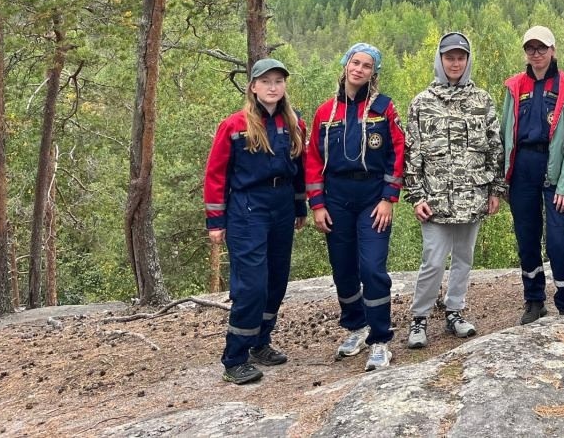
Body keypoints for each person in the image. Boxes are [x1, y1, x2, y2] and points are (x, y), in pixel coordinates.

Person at [203, 58, 307, 385]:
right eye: (266, 81)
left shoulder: (294, 123)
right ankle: (235, 358)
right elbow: (216, 174)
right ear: (253, 87)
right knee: (251, 285)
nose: (273, 87)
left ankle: (260, 343)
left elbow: (300, 169)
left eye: (278, 81)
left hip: (282, 206)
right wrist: (215, 220)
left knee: (276, 280)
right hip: (248, 208)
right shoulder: (234, 125)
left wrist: (300, 206)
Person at [304, 42, 406, 370]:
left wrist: (389, 199)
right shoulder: (325, 112)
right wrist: (317, 204)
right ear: (345, 64)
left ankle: (380, 339)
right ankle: (356, 326)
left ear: (374, 73)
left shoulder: (384, 108)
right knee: (343, 268)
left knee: (373, 268)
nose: (359, 69)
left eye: (366, 65)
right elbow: (313, 158)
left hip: (372, 198)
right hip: (336, 199)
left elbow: (397, 152)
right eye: (355, 62)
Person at [404, 32, 505, 350]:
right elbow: (412, 153)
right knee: (433, 260)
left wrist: (495, 190)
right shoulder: (422, 102)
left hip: (472, 195)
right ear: (440, 60)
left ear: (468, 60)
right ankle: (419, 318)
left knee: (463, 258)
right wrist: (416, 196)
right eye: (450, 57)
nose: (455, 63)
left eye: (461, 57)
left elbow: (495, 148)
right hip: (435, 199)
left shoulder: (482, 100)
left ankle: (455, 311)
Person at [501, 25, 564, 323]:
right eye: (530, 48)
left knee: (560, 242)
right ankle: (534, 300)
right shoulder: (514, 86)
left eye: (542, 48)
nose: (536, 54)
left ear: (553, 50)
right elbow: (504, 134)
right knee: (527, 238)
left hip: (554, 170)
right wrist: (503, 179)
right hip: (522, 169)